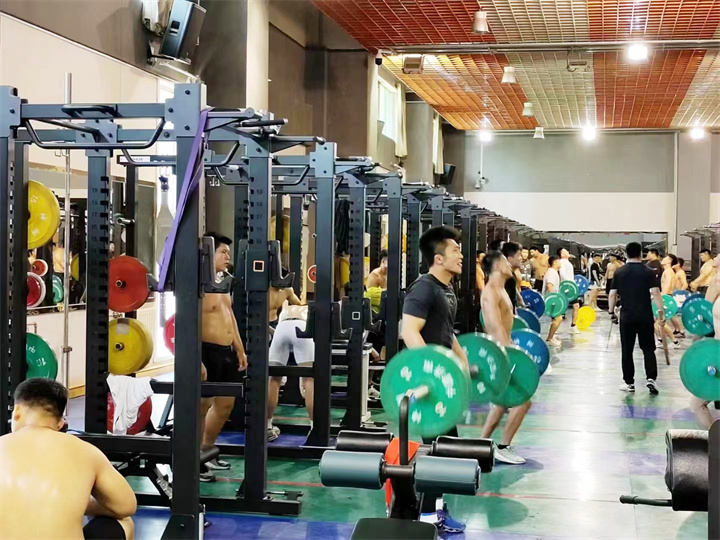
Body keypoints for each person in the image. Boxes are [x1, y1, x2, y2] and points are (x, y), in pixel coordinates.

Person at [0, 378, 136, 539]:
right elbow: (126, 507)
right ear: (60, 423)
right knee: (125, 522)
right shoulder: (86, 451)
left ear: (16, 412)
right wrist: (81, 503)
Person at [401, 226, 467, 534]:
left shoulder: (447, 289)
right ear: (438, 258)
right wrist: (432, 370)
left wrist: (462, 364)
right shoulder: (424, 288)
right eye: (455, 250)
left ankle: (434, 510)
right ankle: (428, 516)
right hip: (426, 383)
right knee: (438, 451)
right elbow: (409, 331)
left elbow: (446, 332)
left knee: (446, 448)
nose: (461, 255)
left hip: (441, 381)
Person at [200, 233, 248, 482]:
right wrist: (195, 359)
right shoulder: (198, 283)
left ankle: (207, 450)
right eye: (223, 252)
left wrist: (239, 349)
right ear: (209, 253)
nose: (228, 256)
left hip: (226, 352)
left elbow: (230, 317)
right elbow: (186, 322)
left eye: (228, 252)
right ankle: (193, 460)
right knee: (201, 407)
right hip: (205, 351)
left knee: (226, 405)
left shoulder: (222, 282)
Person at [480, 251, 532, 465]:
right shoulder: (490, 292)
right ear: (497, 266)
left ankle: (481, 444)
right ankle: (503, 447)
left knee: (501, 403)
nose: (509, 264)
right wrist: (510, 353)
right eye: (505, 261)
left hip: (504, 349)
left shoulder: (501, 289)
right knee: (523, 400)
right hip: (499, 353)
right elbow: (494, 326)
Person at [608, 242, 664, 395]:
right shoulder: (648, 272)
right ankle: (651, 379)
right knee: (648, 349)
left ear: (626, 254)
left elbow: (612, 294)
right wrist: (661, 313)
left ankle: (629, 383)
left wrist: (611, 312)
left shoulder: (620, 272)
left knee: (627, 350)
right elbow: (655, 293)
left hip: (627, 316)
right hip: (645, 316)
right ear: (641, 254)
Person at [267, 304, 314, 440]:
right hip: (302, 326)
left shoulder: (286, 307)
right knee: (309, 379)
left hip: (281, 328)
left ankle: (267, 426)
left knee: (274, 378)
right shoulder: (308, 308)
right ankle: (315, 428)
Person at [659, 254, 684, 342]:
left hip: (666, 296)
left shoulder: (668, 271)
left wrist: (662, 297)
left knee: (660, 320)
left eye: (665, 258)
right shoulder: (668, 271)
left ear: (669, 260)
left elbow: (668, 284)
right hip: (667, 296)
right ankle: (678, 332)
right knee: (669, 316)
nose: (663, 259)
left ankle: (669, 339)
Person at [543, 256, 563, 347]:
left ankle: (552, 336)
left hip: (552, 299)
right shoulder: (551, 272)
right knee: (558, 318)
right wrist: (553, 300)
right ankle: (550, 338)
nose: (560, 263)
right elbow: (549, 286)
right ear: (555, 262)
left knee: (555, 319)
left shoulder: (553, 272)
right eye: (559, 261)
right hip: (551, 300)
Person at [557, 248, 579, 332]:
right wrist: (568, 285)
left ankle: (573, 325)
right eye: (565, 251)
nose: (568, 252)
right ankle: (555, 327)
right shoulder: (562, 262)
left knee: (576, 305)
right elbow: (562, 275)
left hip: (571, 287)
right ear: (562, 254)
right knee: (562, 307)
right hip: (566, 287)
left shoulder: (567, 262)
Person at [502, 242, 524, 310]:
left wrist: (520, 299)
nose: (521, 258)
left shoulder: (511, 275)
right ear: (509, 258)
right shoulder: (504, 278)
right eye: (519, 255)